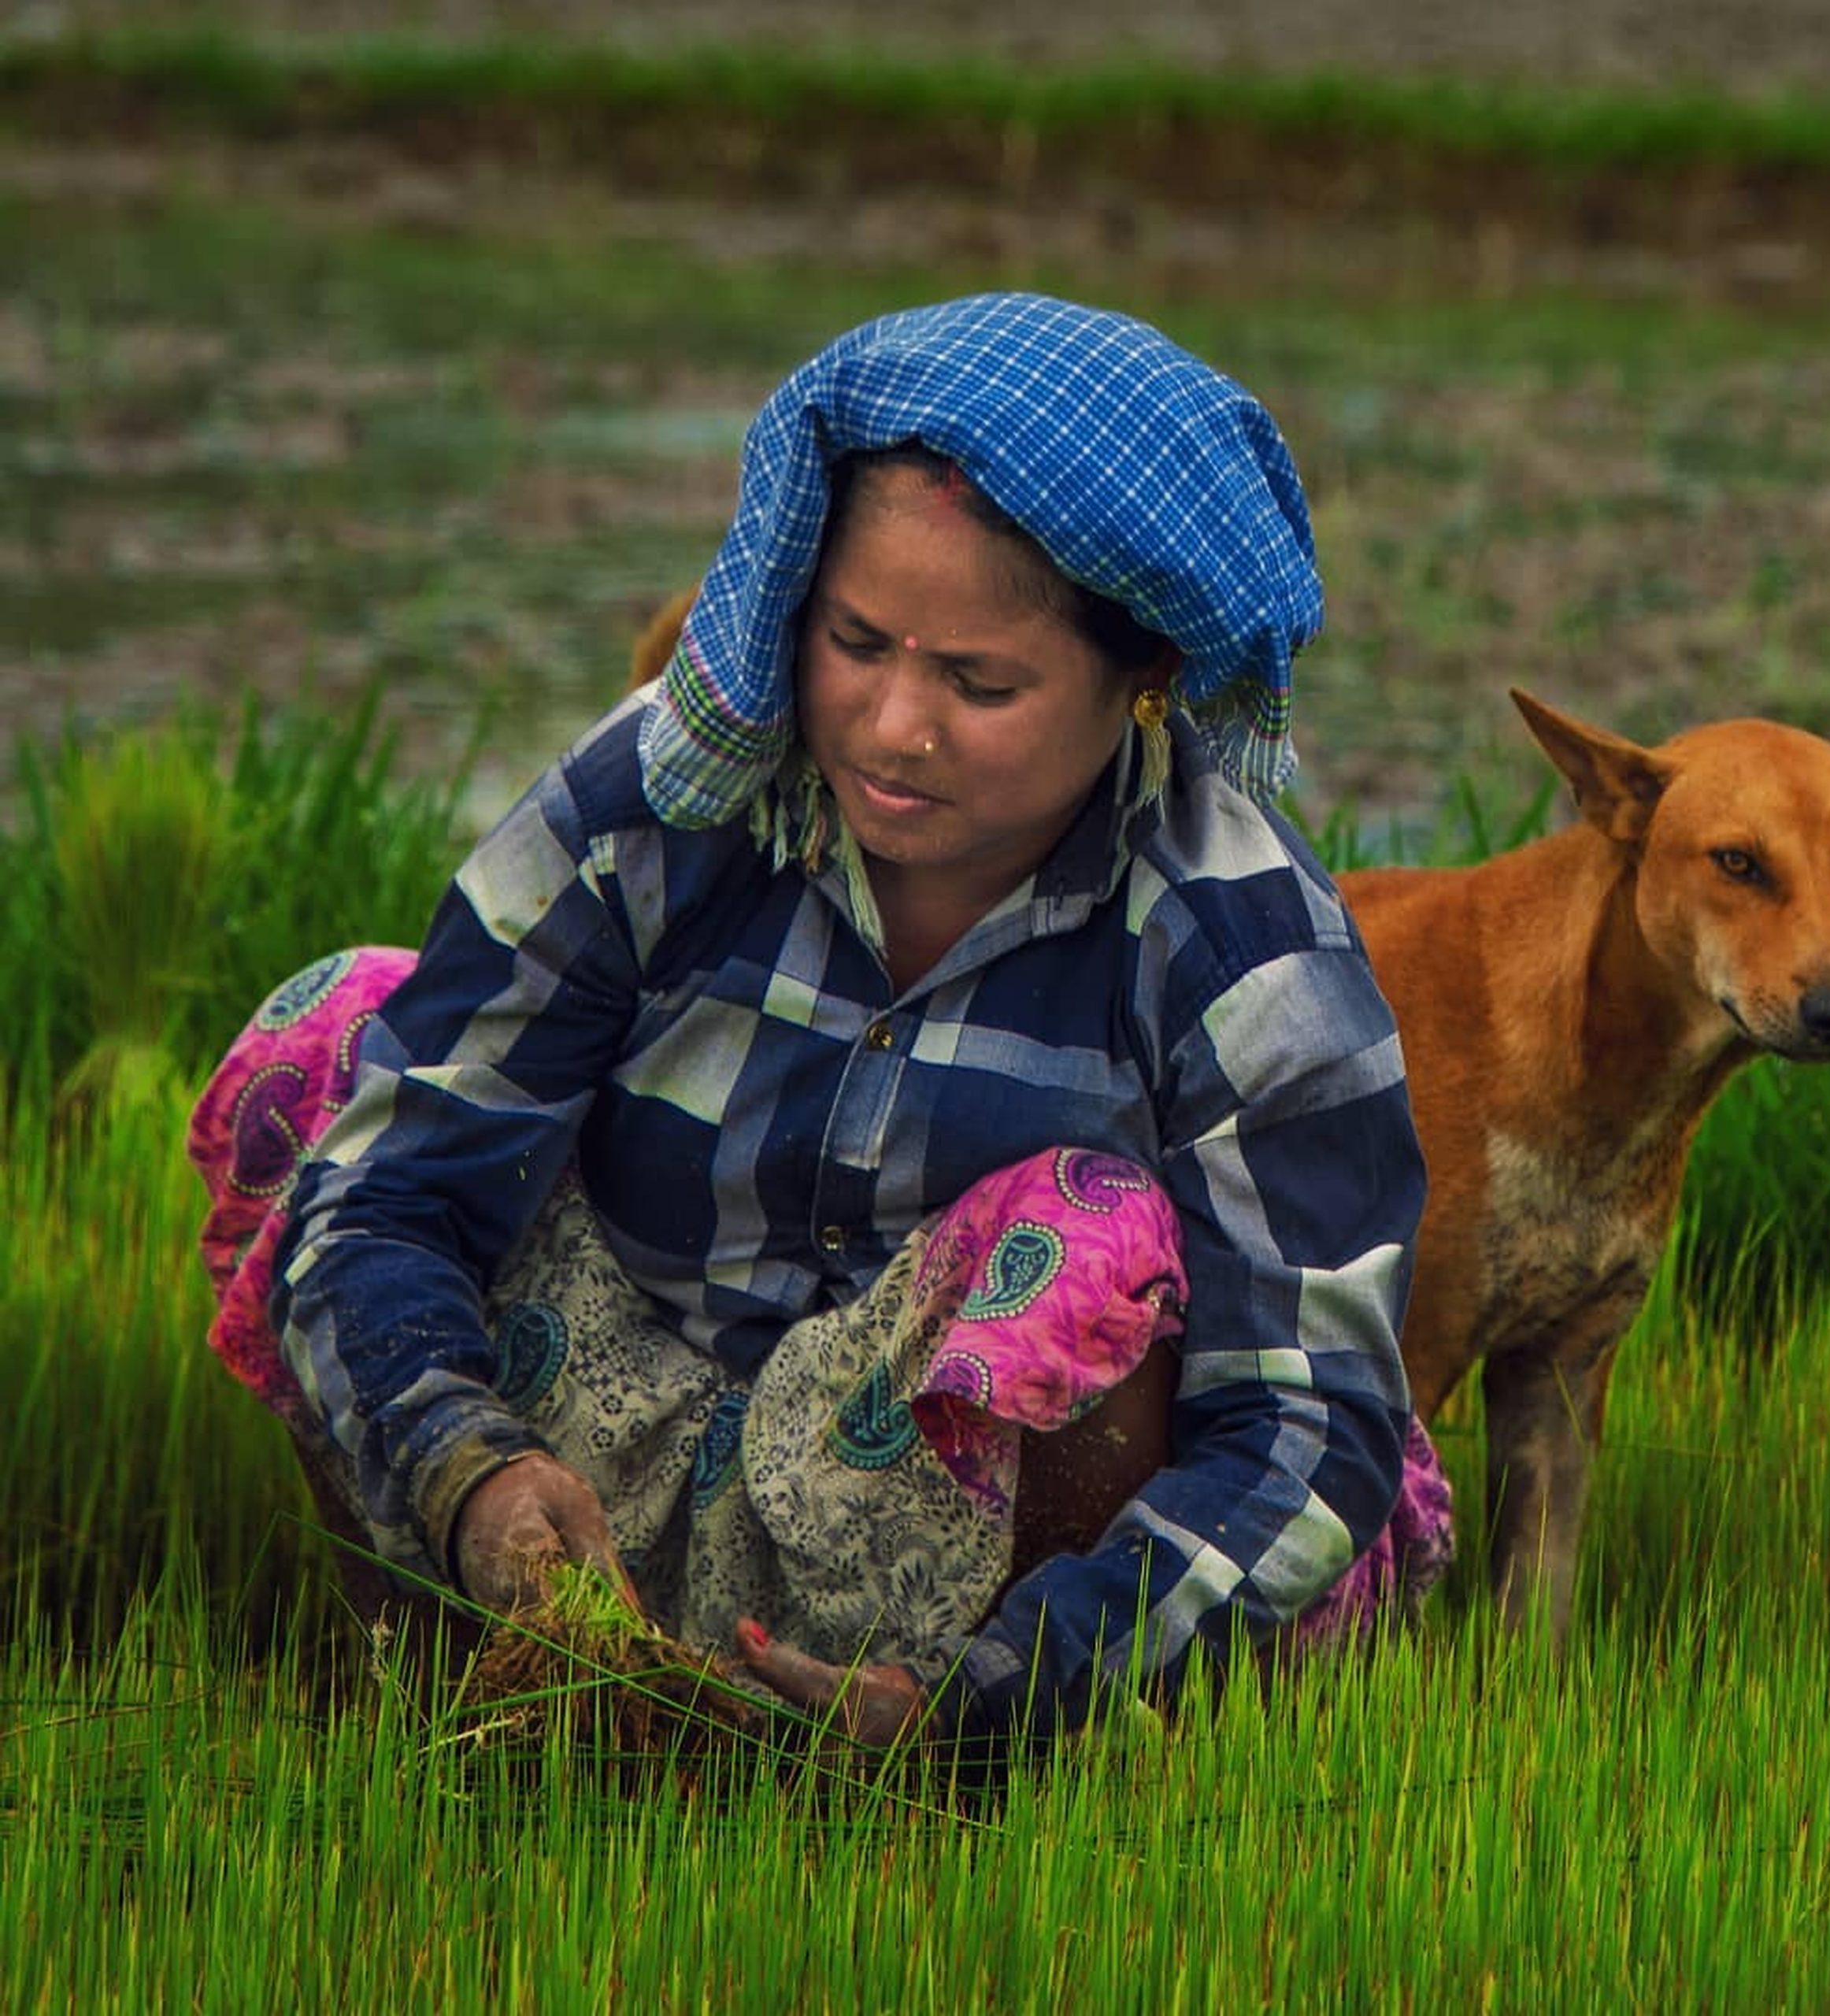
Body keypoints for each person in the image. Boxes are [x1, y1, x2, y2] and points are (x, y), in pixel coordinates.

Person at [187, 292, 1449, 1761]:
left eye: (980, 682)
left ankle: (945, 1759)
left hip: (1020, 1615)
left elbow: (1308, 1429)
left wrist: (996, 1706)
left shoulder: (1241, 944)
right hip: (627, 1451)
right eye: (857, 640)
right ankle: (497, 1687)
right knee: (330, 1049)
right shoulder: (658, 805)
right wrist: (465, 1469)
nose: (892, 725)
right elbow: (395, 1181)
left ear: (1144, 678)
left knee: (1088, 1237)